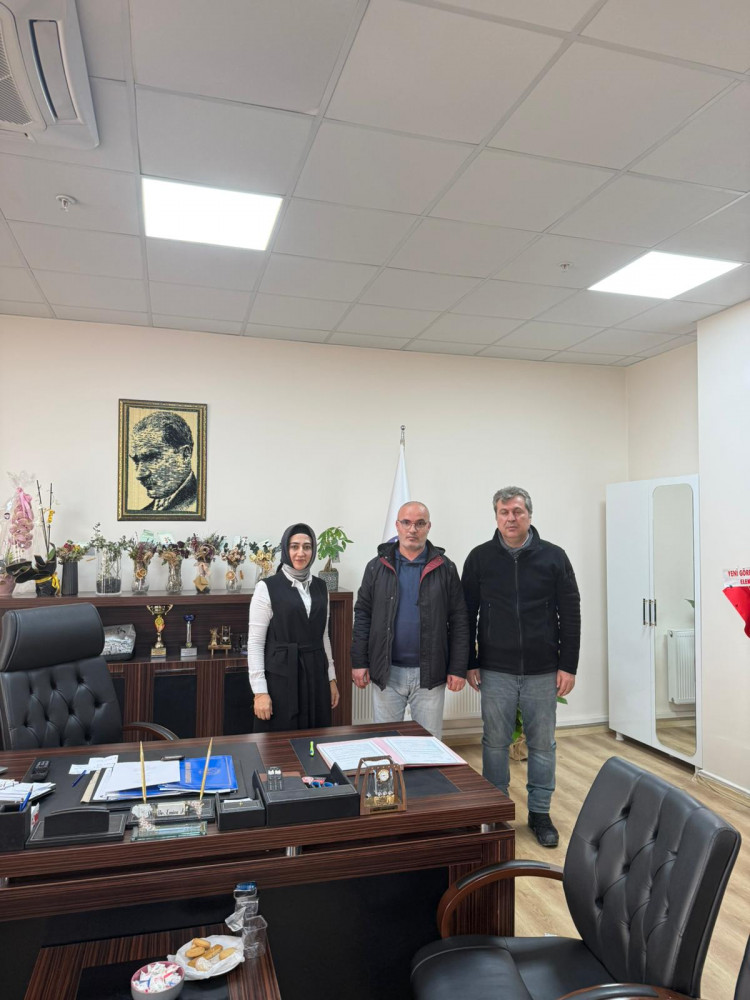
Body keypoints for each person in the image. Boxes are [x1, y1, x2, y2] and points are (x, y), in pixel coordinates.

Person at [461, 487, 580, 847]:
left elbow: (570, 614)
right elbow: (466, 614)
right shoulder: (480, 558)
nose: (510, 518)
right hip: (495, 668)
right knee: (494, 742)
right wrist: (470, 661)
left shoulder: (554, 557)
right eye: (504, 512)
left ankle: (540, 814)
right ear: (496, 516)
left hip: (543, 670)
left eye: (517, 511)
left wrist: (568, 665)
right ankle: (496, 810)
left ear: (529, 514)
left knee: (542, 745)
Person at [351, 501, 468, 738]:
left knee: (428, 746)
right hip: (387, 672)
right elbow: (363, 614)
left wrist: (458, 668)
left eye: (419, 523)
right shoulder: (376, 567)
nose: (412, 529)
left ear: (428, 527)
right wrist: (359, 661)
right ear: (397, 525)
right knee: (386, 744)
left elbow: (459, 620)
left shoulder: (445, 568)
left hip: (430, 673)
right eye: (406, 523)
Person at [249, 523, 339, 732]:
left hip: (316, 675)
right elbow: (255, 642)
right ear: (285, 549)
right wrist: (260, 692)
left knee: (317, 738)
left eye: (307, 547)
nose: (301, 553)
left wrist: (331, 678)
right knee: (280, 742)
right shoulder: (266, 587)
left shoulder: (321, 587)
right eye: (294, 546)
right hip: (281, 677)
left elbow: (324, 636)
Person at [129, 411, 198, 513]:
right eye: (136, 461)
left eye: (151, 458)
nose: (139, 474)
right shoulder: (145, 511)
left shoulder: (198, 505)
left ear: (185, 454)